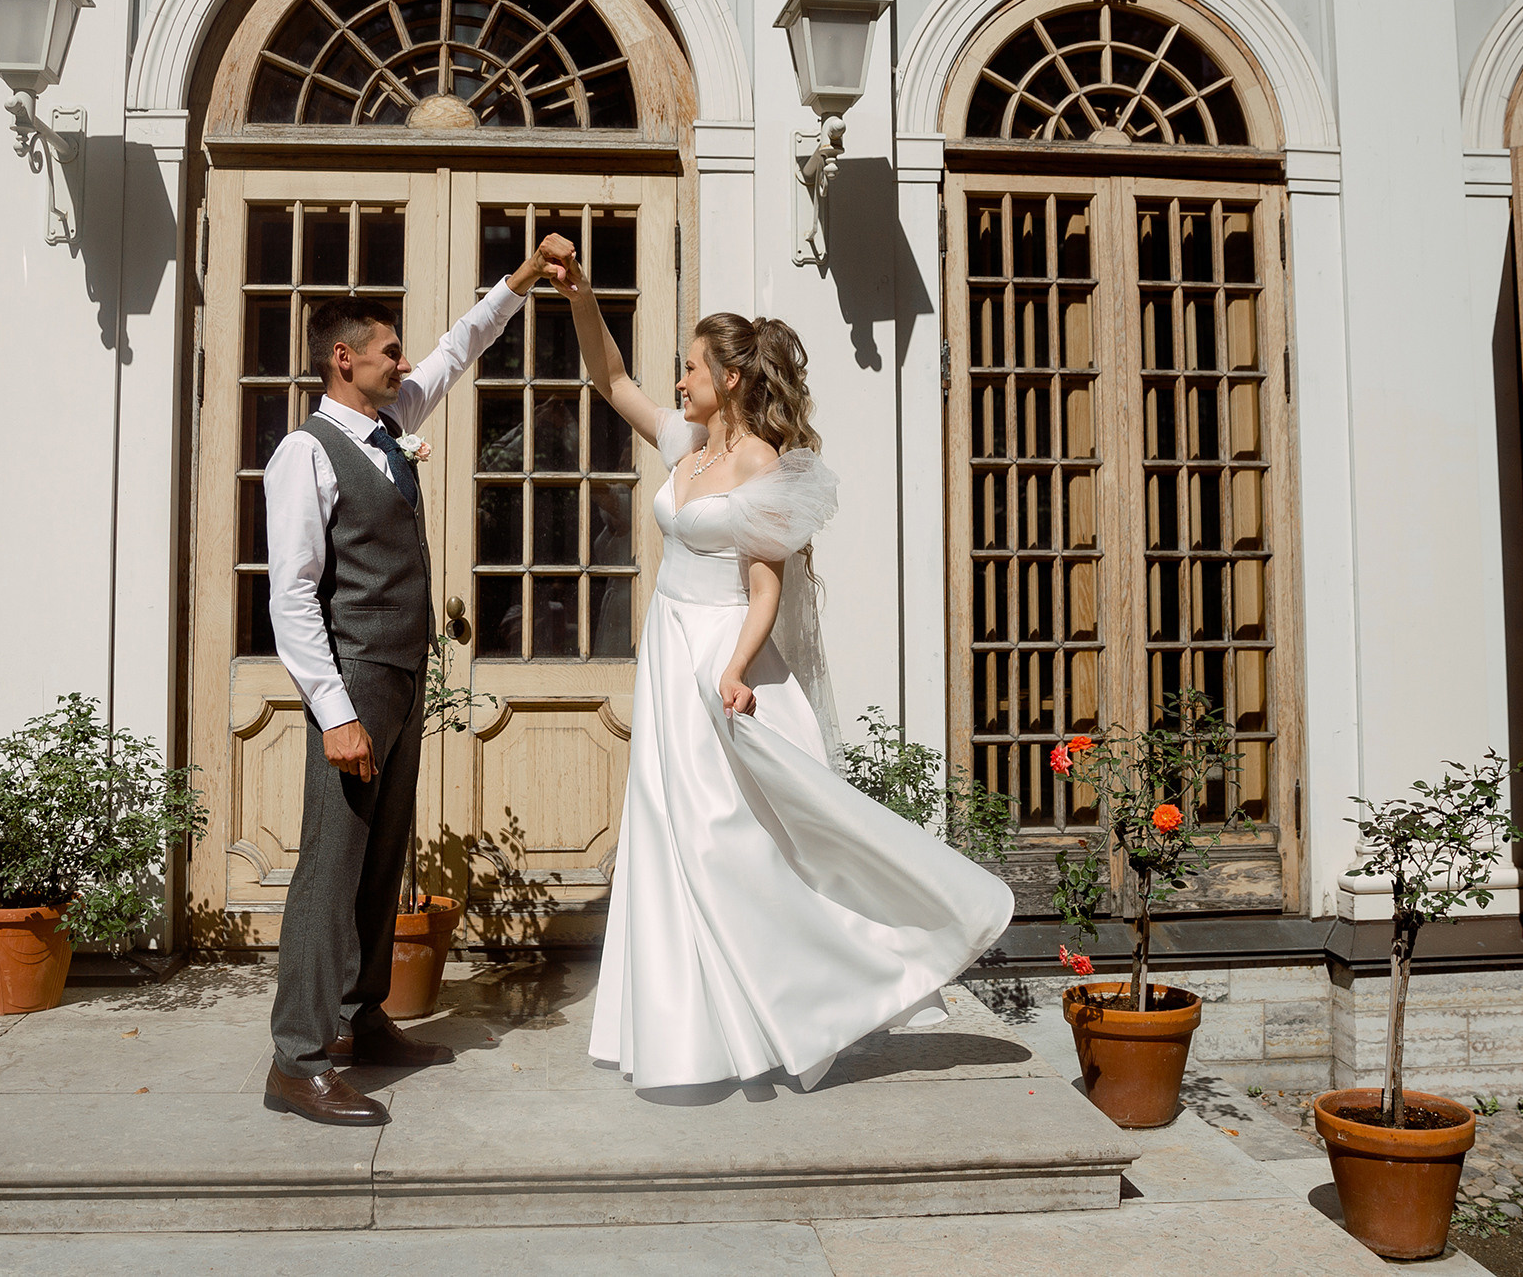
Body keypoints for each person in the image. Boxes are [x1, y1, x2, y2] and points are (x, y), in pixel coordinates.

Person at [546, 254, 1015, 1093]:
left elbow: (766, 585)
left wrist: (732, 669)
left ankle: (827, 981)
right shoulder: (683, 441)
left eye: (690, 366)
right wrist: (583, 297)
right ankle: (686, 1029)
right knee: (665, 828)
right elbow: (609, 376)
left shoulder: (763, 463)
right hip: (667, 643)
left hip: (720, 654)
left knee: (722, 837)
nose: (677, 378)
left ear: (727, 378)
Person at [261, 231, 577, 1127]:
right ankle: (298, 1057)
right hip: (355, 680)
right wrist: (333, 710)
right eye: (387, 348)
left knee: (379, 858)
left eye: (400, 349)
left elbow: (458, 348)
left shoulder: (392, 421)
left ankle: (361, 1017)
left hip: (400, 676)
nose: (404, 358)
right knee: (331, 868)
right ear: (343, 357)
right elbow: (290, 595)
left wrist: (517, 283)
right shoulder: (306, 452)